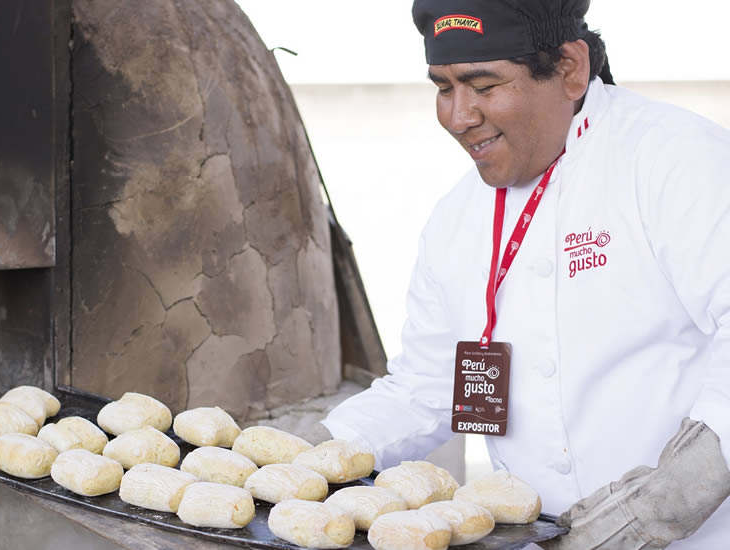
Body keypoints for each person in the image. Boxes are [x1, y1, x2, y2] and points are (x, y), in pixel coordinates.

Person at [312, 0, 730, 547]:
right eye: (443, 88)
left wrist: (670, 500)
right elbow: (425, 388)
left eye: (483, 86)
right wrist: (319, 450)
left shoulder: (677, 159)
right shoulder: (456, 218)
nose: (458, 117)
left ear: (569, 68)